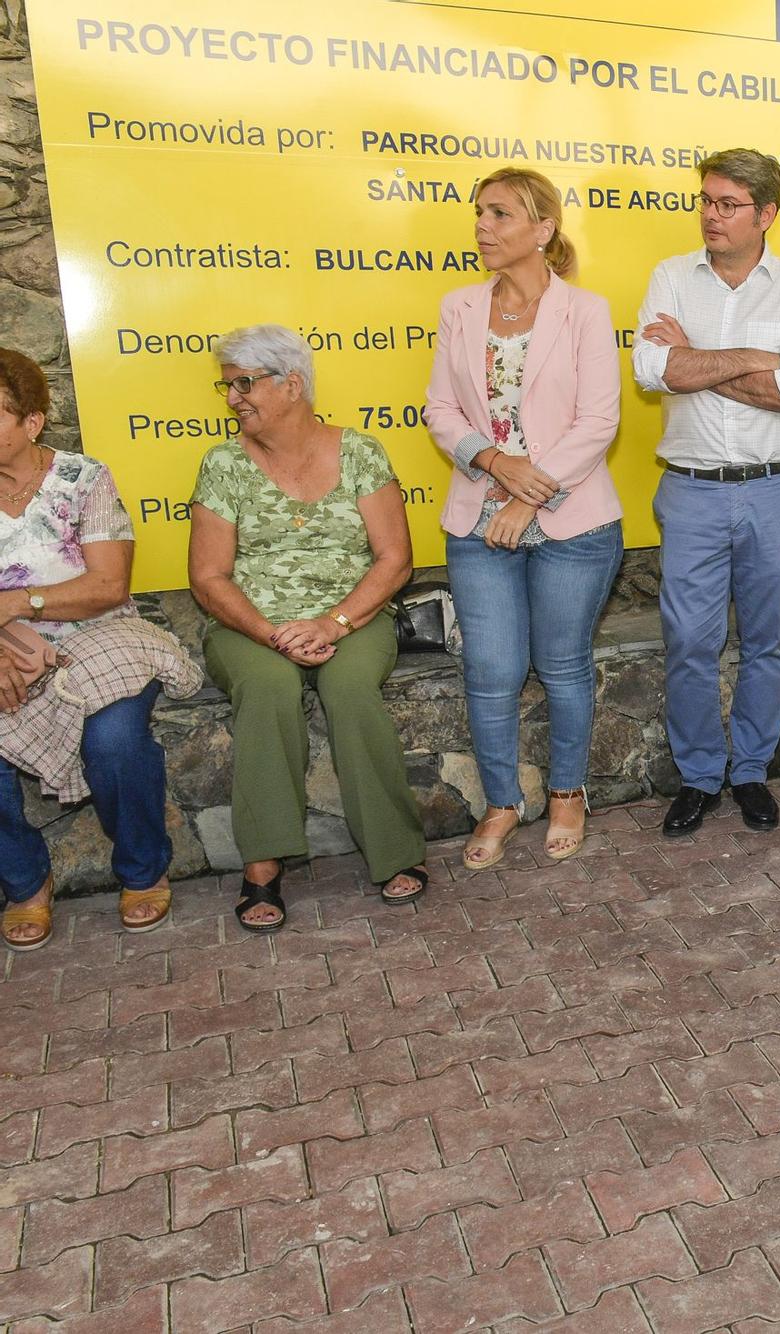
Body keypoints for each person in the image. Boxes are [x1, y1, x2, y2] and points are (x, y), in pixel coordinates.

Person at [188, 326, 430, 930]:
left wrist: (333, 621)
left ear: (292, 385)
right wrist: (275, 634)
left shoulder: (361, 452)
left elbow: (394, 559)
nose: (233, 398)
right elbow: (209, 578)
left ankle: (394, 851)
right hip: (249, 627)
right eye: (227, 387)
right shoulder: (222, 464)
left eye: (245, 384)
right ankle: (263, 866)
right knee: (269, 688)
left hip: (352, 618)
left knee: (348, 689)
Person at [426, 167, 623, 869]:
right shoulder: (459, 307)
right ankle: (502, 802)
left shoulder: (587, 311)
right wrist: (492, 462)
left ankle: (568, 793)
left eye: (500, 214)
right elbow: (441, 412)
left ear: (542, 230)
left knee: (563, 665)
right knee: (491, 669)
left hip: (572, 521)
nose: (483, 226)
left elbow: (599, 420)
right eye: (480, 212)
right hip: (478, 516)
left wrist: (524, 495)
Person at [633, 148, 780, 839]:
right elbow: (652, 368)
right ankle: (698, 777)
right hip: (691, 490)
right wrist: (753, 360)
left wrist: (698, 360)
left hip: (775, 490)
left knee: (768, 639)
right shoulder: (669, 276)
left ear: (767, 213)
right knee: (689, 639)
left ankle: (748, 772)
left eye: (728, 204)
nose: (711, 215)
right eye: (707, 201)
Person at [0, 348, 194, 948]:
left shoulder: (83, 479)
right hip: (5, 648)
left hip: (99, 637)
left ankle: (141, 870)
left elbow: (108, 586)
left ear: (31, 423)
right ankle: (25, 882)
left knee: (114, 741)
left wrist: (16, 603)